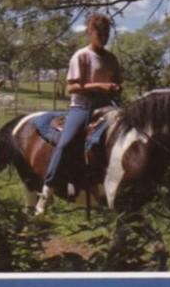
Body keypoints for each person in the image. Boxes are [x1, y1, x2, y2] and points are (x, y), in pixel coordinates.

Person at [43, 13, 122, 196]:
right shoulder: (82, 56)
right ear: (89, 32)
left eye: (106, 33)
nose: (104, 37)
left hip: (108, 106)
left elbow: (117, 80)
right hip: (83, 107)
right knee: (66, 142)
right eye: (99, 33)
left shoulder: (111, 58)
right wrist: (100, 86)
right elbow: (71, 87)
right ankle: (48, 188)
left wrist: (116, 87)